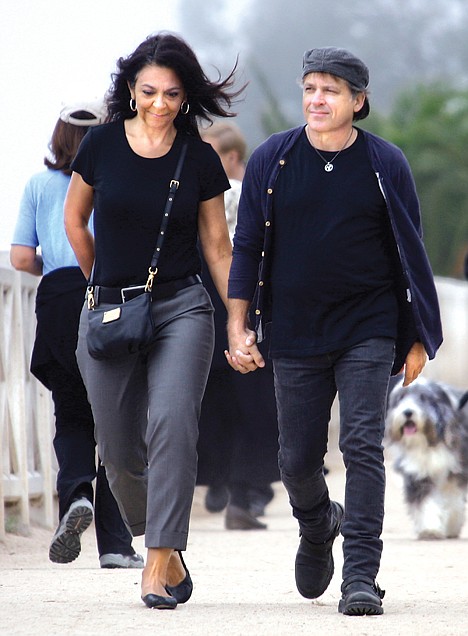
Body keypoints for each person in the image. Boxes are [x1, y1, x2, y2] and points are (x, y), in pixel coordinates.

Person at [226, 47, 443, 616]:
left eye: (331, 90)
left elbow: (409, 253)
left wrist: (416, 335)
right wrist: (237, 322)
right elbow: (246, 245)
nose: (317, 99)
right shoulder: (274, 159)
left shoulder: (384, 162)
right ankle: (319, 523)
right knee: (296, 460)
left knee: (362, 445)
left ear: (357, 101)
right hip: (293, 330)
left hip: (367, 326)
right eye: (310, 88)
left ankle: (361, 576)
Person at [64, 33, 243, 610]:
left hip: (182, 308)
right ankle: (165, 541)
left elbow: (218, 247)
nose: (160, 104)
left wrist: (239, 321)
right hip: (109, 310)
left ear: (186, 96)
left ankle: (158, 560)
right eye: (149, 92)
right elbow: (75, 220)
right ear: (131, 90)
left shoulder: (200, 158)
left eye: (171, 93)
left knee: (171, 421)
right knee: (116, 448)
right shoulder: (100, 147)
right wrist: (104, 285)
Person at [10, 101, 144, 569]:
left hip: (58, 295)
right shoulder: (114, 181)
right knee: (114, 415)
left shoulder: (39, 185)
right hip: (109, 293)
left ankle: (74, 496)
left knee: (69, 409)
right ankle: (115, 545)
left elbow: (22, 258)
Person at [197, 122, 279, 530]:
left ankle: (224, 482)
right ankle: (244, 492)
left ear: (230, 157)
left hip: (210, 306)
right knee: (257, 404)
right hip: (251, 307)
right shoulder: (261, 194)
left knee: (219, 403)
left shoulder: (219, 194)